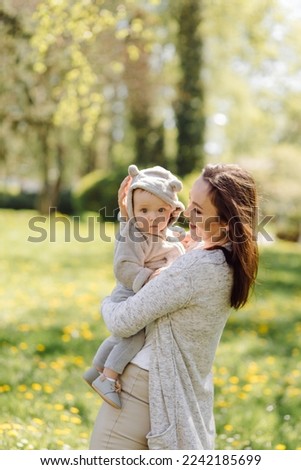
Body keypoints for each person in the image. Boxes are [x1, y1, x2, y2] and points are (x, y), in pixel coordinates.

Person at [89, 163, 259, 450]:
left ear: (226, 222)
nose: (185, 213)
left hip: (139, 395)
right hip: (167, 390)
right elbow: (153, 242)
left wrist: (107, 302)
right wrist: (131, 216)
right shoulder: (224, 256)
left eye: (199, 210)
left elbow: (122, 321)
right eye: (189, 202)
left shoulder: (197, 266)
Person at [83, 164, 186, 409]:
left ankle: (96, 369)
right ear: (132, 210)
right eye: (143, 210)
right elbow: (124, 267)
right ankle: (108, 377)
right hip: (130, 293)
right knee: (134, 336)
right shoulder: (134, 233)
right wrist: (149, 277)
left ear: (173, 211)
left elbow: (172, 245)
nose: (152, 217)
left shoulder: (164, 232)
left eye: (161, 209)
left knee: (118, 336)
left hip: (138, 292)